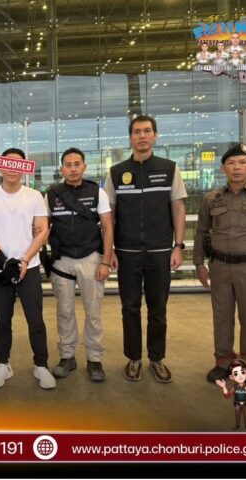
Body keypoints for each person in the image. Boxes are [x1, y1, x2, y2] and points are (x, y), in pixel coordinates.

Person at [104, 115, 187, 383]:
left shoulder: (169, 168)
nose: (142, 136)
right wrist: (110, 249)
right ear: (130, 137)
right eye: (137, 131)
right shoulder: (116, 172)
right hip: (126, 253)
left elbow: (178, 208)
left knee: (157, 308)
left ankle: (157, 358)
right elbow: (109, 214)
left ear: (155, 136)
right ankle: (133, 358)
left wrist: (178, 246)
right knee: (129, 308)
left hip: (160, 252)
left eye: (147, 131)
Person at [193, 143, 246, 384]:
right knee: (222, 317)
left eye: (242, 163)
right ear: (223, 169)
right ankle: (223, 362)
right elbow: (201, 232)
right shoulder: (211, 199)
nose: (237, 168)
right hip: (219, 267)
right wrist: (199, 263)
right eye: (231, 163)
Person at [0, 147, 56, 390]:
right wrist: (4, 261)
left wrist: (24, 260)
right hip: (0, 268)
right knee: (2, 320)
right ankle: (3, 364)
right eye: (8, 163)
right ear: (0, 166)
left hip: (28, 267)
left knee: (35, 319)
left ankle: (41, 365)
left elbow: (42, 230)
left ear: (24, 168)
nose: (12, 168)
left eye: (18, 164)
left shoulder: (34, 196)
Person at [45, 147, 114, 383]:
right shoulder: (51, 194)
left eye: (77, 164)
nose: (73, 169)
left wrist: (106, 261)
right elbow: (43, 227)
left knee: (93, 312)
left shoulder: (97, 192)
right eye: (68, 165)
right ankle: (67, 357)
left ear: (84, 167)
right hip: (61, 260)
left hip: (91, 258)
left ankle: (94, 359)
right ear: (61, 168)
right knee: (64, 311)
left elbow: (108, 227)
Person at [215, 359, 246, 430]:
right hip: (237, 405)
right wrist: (224, 387)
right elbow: (227, 396)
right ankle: (237, 425)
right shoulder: (234, 387)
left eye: (243, 372)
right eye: (235, 374)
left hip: (245, 404)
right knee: (237, 415)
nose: (240, 376)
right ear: (231, 377)